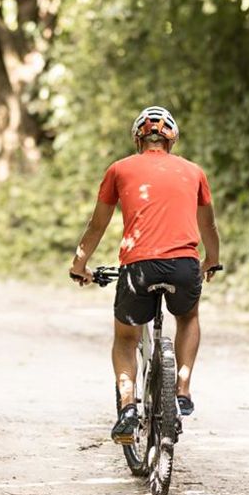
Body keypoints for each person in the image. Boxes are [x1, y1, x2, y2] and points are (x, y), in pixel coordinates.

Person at [69, 106, 221, 444]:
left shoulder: (119, 170)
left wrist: (79, 265)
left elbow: (97, 225)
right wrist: (211, 259)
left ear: (139, 139)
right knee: (188, 316)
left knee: (126, 338)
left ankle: (128, 407)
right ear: (171, 140)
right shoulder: (194, 172)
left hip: (138, 267)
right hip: (184, 265)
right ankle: (182, 390)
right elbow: (207, 224)